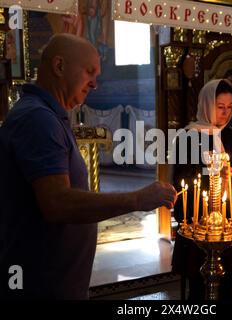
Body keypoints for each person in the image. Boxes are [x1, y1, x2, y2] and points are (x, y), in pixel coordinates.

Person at [0, 34, 177, 300]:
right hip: (40, 285)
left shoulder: (46, 115)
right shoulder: (38, 120)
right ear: (59, 66)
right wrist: (137, 198)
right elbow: (57, 203)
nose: (95, 83)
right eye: (89, 72)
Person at [171, 79, 232, 300]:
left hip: (228, 219)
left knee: (227, 281)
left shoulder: (230, 135)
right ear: (207, 104)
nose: (225, 113)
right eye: (220, 107)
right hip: (200, 219)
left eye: (229, 107)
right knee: (199, 287)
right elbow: (183, 180)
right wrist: (214, 174)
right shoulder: (189, 136)